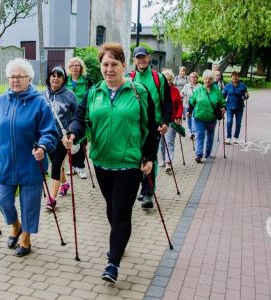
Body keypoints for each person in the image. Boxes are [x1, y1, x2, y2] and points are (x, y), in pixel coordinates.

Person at [62, 42, 158, 284]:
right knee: (110, 208)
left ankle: (113, 262)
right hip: (102, 161)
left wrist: (149, 157)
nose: (109, 69)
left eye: (114, 64)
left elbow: (151, 128)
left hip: (129, 163)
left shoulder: (139, 92)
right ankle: (120, 240)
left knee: (121, 211)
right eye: (105, 64)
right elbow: (79, 120)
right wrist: (73, 133)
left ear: (123, 65)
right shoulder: (93, 93)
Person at [0, 58, 58, 257]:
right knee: (3, 199)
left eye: (19, 76)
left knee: (29, 204)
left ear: (29, 79)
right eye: (12, 77)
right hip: (6, 163)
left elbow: (49, 132)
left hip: (31, 164)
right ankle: (15, 226)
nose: (15, 80)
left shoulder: (39, 102)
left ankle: (26, 239)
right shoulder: (0, 102)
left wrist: (43, 146)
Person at [128, 45, 172, 209]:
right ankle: (143, 186)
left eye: (143, 57)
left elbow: (166, 102)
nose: (141, 60)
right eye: (138, 57)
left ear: (148, 57)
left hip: (154, 126)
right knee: (136, 158)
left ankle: (148, 193)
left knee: (150, 158)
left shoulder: (158, 78)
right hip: (134, 126)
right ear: (134, 60)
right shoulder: (129, 78)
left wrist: (166, 122)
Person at [44, 66, 78, 210]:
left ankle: (52, 198)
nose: (55, 78)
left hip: (63, 137)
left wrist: (72, 132)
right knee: (55, 163)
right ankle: (64, 184)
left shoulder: (70, 95)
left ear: (64, 79)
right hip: (47, 137)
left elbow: (77, 116)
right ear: (49, 78)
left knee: (56, 164)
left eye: (59, 76)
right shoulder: (42, 94)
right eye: (53, 75)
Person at [187, 69, 226, 162]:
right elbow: (192, 101)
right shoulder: (198, 90)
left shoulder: (217, 91)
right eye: (206, 79)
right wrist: (189, 111)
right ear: (203, 79)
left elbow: (222, 102)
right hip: (199, 117)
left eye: (210, 79)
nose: (208, 81)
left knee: (210, 135)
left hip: (211, 118)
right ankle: (199, 154)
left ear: (213, 80)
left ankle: (208, 153)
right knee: (200, 135)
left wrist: (223, 108)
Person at [65, 57, 92, 179]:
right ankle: (72, 166)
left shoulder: (87, 82)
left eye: (77, 65)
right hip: (68, 116)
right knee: (70, 141)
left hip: (82, 116)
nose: (74, 67)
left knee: (81, 142)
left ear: (81, 67)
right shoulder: (65, 81)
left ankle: (80, 167)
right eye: (72, 65)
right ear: (69, 68)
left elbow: (92, 98)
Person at [160, 69, 183, 173]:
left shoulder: (175, 91)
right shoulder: (158, 90)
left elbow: (179, 104)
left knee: (169, 142)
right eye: (166, 80)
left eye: (170, 80)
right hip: (159, 120)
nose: (168, 82)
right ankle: (164, 160)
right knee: (161, 143)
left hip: (172, 120)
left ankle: (168, 162)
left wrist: (178, 116)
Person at [222, 71, 249, 144]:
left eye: (236, 76)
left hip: (239, 107)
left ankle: (236, 137)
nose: (235, 78)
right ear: (231, 77)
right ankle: (228, 137)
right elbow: (223, 97)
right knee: (229, 121)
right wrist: (223, 106)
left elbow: (246, 96)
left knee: (238, 123)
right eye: (233, 76)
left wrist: (246, 96)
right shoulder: (227, 86)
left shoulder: (243, 86)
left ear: (238, 77)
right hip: (229, 107)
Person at [181, 72, 201, 139]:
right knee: (188, 119)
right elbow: (182, 93)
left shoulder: (200, 86)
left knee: (194, 118)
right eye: (192, 77)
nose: (193, 78)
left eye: (195, 77)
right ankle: (190, 131)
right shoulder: (187, 85)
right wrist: (182, 94)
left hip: (195, 105)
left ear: (197, 78)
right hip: (187, 104)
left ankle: (193, 132)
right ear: (189, 78)